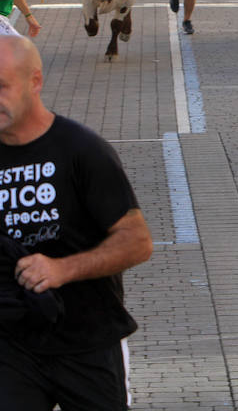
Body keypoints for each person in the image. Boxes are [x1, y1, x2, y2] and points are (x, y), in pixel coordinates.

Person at [0, 35, 153, 410]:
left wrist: (62, 269)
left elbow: (137, 241)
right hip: (10, 345)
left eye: (1, 86)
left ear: (35, 82)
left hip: (87, 339)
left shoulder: (81, 150)